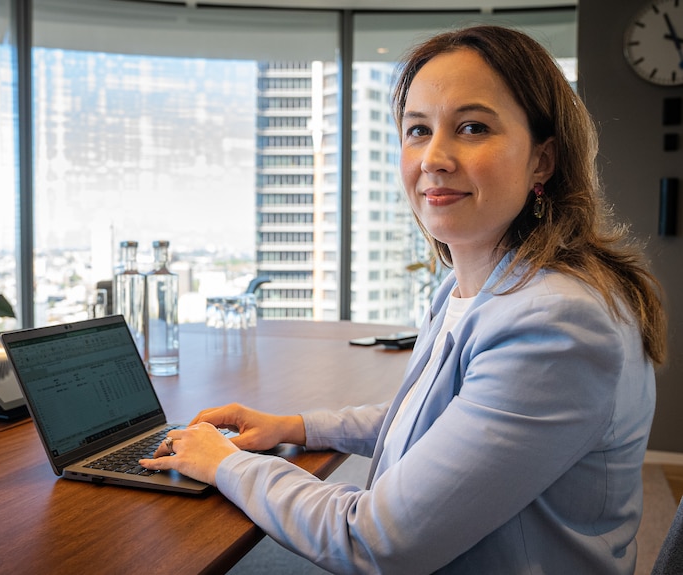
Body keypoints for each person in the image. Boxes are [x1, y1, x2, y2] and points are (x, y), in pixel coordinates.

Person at [140, 24, 667, 574]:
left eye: (472, 127)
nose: (433, 157)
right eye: (417, 130)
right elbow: (441, 421)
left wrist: (223, 464)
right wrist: (296, 426)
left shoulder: (557, 322)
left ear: (543, 160)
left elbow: (375, 542)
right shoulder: (478, 287)